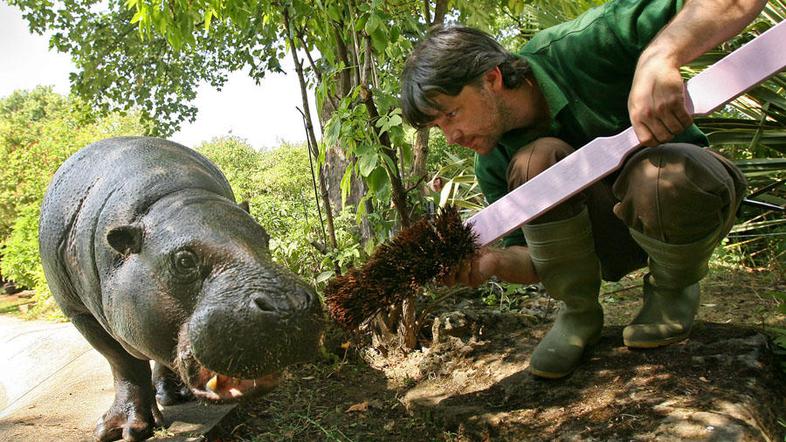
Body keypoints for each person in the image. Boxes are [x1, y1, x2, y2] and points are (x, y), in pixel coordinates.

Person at [400, 0, 767, 379]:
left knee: (657, 175)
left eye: (450, 114)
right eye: (438, 127)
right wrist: (494, 263)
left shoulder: (585, 45)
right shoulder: (493, 159)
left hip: (684, 201)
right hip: (606, 243)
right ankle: (579, 315)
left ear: (491, 79)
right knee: (534, 162)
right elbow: (537, 259)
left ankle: (673, 290)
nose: (452, 136)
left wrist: (661, 56)